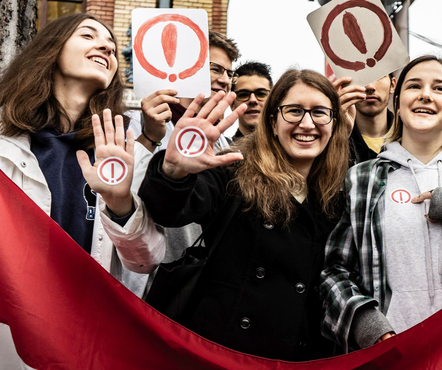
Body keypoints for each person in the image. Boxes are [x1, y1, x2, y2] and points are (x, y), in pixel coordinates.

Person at [0, 13, 165, 368]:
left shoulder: (125, 152)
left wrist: (120, 202)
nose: (106, 46)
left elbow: (145, 262)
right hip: (6, 338)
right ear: (51, 51)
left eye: (110, 44)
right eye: (88, 35)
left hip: (84, 337)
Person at [138, 69, 350, 360]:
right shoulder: (233, 170)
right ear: (273, 122)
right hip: (223, 354)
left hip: (298, 360)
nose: (307, 123)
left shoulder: (341, 193)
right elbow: (167, 211)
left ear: (334, 124)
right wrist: (175, 171)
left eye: (319, 112)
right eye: (294, 111)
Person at [321, 55, 442, 352]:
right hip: (392, 353)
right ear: (397, 102)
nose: (426, 94)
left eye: (439, 88)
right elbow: (333, 270)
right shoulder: (361, 179)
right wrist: (367, 325)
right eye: (415, 86)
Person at [131, 31, 240, 153]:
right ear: (188, 69)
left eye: (230, 74)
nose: (226, 80)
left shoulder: (226, 145)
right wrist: (149, 137)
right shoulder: (135, 124)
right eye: (215, 69)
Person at [334, 74, 396, 164]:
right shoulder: (333, 138)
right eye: (360, 78)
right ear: (344, 86)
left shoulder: (409, 139)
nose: (370, 86)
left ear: (393, 85)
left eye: (380, 76)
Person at [227, 61, 273, 143]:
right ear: (232, 104)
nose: (253, 100)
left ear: (272, 101)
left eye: (261, 94)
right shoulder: (220, 152)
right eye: (243, 95)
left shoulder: (289, 150)